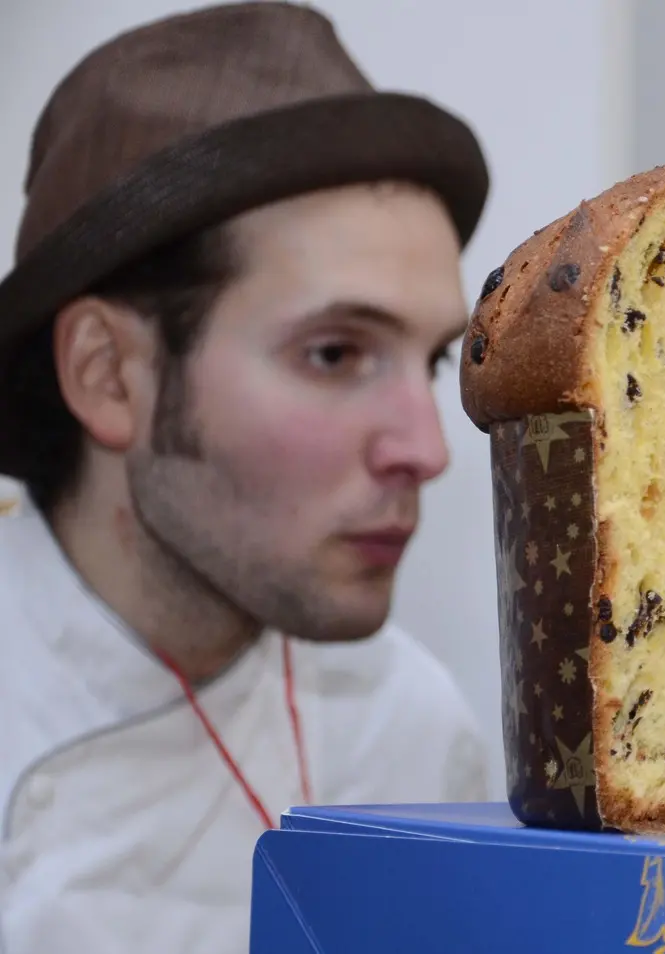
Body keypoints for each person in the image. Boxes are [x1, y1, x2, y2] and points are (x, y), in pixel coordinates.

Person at [0, 4, 493, 951]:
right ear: (109, 374)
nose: (427, 449)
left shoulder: (410, 729)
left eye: (430, 360)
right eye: (336, 353)